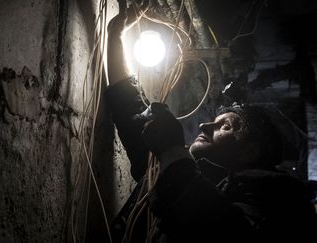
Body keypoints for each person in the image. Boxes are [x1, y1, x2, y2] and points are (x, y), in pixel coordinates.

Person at [105, 3, 317, 242]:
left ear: (250, 151)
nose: (205, 126)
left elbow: (224, 231)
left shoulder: (278, 204)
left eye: (225, 126)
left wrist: (173, 152)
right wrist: (116, 37)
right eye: (214, 122)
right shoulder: (177, 171)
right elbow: (132, 111)